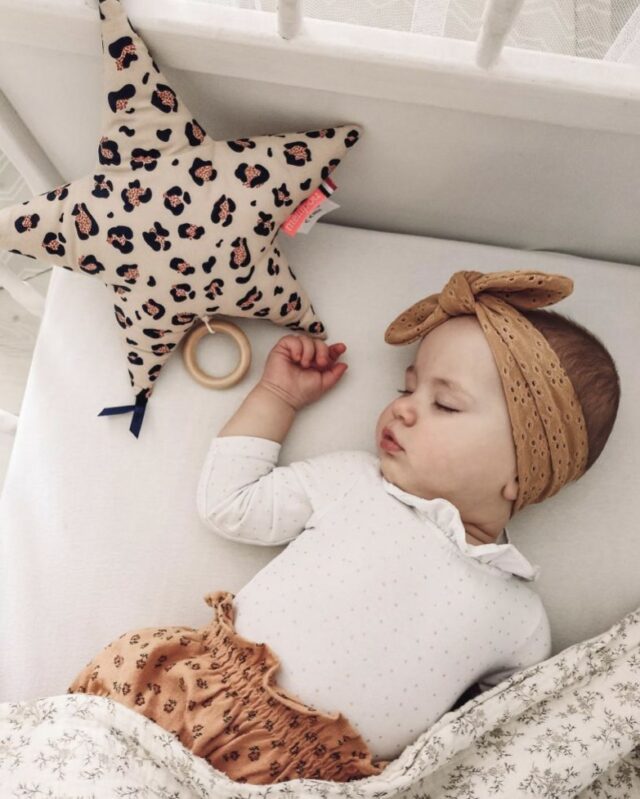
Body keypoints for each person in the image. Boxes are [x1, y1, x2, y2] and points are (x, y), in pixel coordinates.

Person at [68, 269, 620, 785]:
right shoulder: (355, 482)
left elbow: (496, 744)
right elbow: (230, 504)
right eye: (406, 389)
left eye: (446, 404)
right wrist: (278, 397)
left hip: (314, 781)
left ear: (524, 471)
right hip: (191, 703)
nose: (403, 409)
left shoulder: (520, 620)